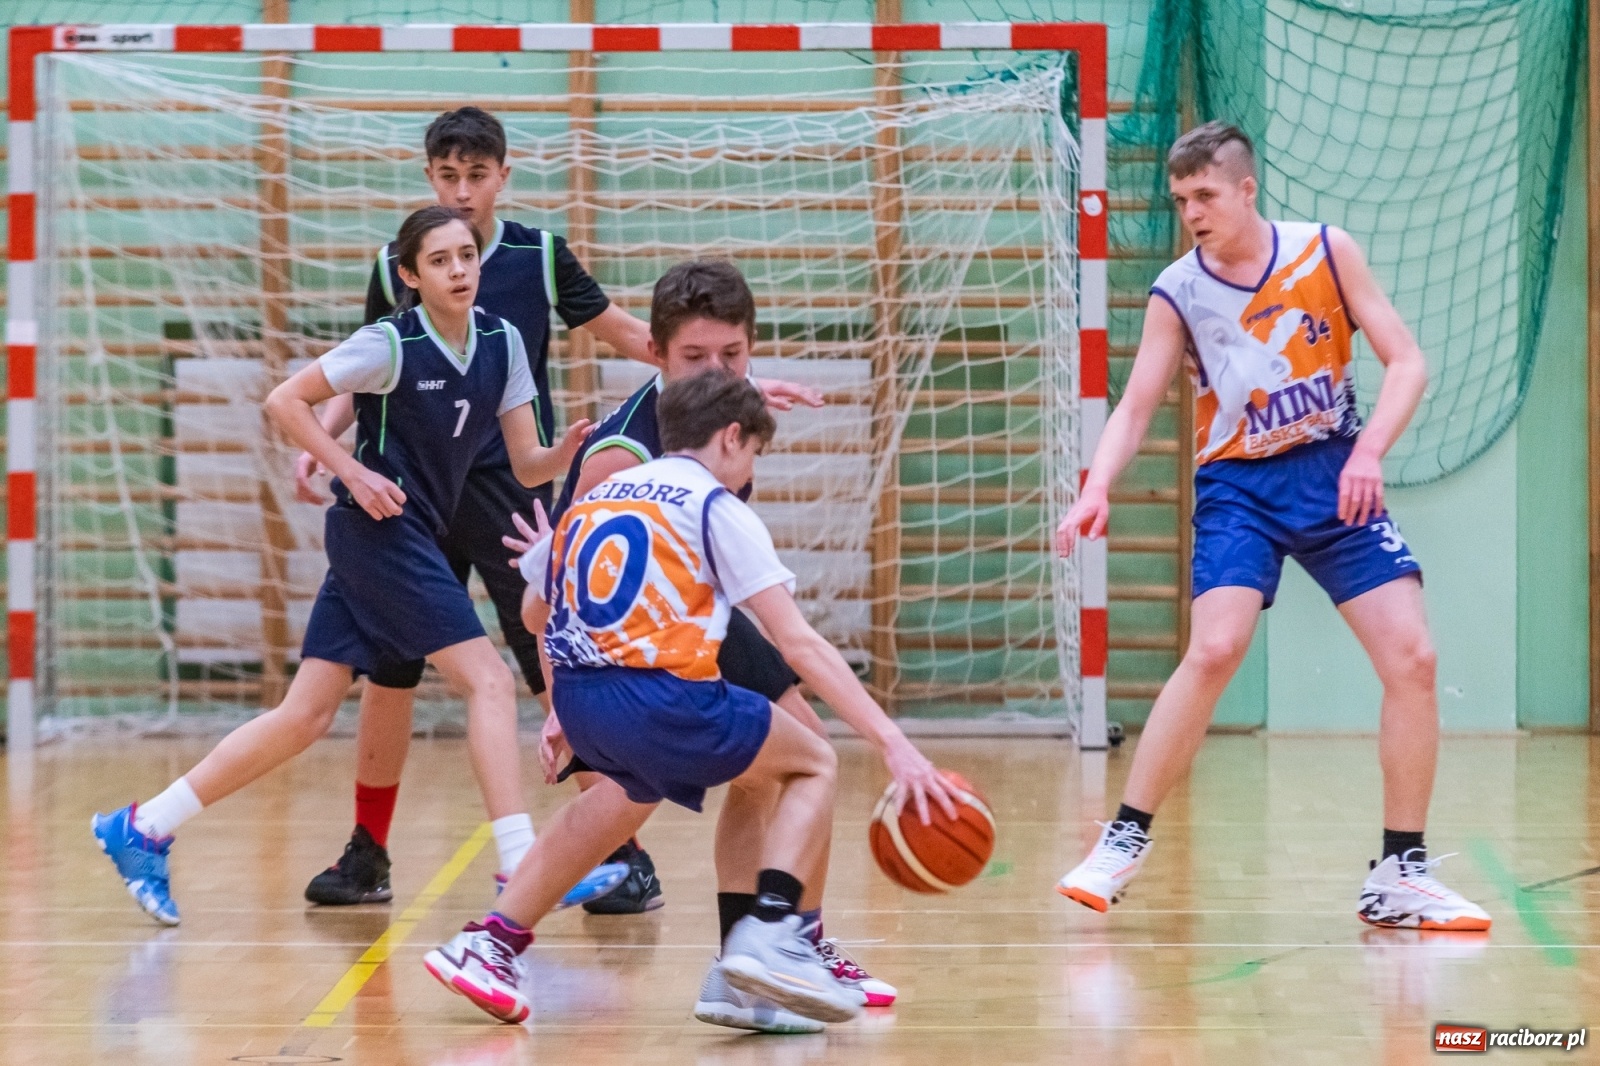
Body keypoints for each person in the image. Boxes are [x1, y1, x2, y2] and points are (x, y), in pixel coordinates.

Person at [293, 107, 819, 910]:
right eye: (448, 175)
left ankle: (624, 853)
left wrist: (728, 383)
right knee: (390, 672)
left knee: (552, 653)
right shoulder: (402, 259)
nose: (463, 191)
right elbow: (374, 357)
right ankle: (369, 850)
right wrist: (326, 435)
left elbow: (633, 334)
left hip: (508, 485)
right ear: (429, 178)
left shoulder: (538, 257)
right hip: (415, 484)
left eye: (477, 174)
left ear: (503, 175)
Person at [91, 206, 586, 926]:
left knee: (306, 714)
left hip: (402, 534)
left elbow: (523, 460)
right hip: (377, 533)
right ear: (410, 276)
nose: (458, 270)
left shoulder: (503, 343)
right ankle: (519, 862)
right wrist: (347, 471)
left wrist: (568, 450)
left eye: (466, 256)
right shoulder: (389, 343)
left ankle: (142, 827)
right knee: (486, 678)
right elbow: (283, 401)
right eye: (440, 260)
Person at [1053, 121, 1490, 932]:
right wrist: (1096, 485)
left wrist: (1370, 452)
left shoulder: (1326, 251)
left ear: (1246, 189)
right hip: (1239, 485)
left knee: (1415, 658)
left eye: (1205, 195)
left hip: (1332, 475)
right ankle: (1122, 840)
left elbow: (1408, 360)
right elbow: (1138, 404)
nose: (1192, 212)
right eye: (1181, 199)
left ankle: (1401, 873)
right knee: (1215, 647)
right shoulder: (1176, 291)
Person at [423, 370, 957, 1030]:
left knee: (637, 792)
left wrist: (552, 565)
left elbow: (534, 614)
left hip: (585, 701)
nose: (748, 471)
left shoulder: (599, 494)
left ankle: (494, 942)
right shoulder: (712, 505)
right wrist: (892, 742)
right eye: (753, 454)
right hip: (662, 699)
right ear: (731, 438)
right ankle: (770, 933)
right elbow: (798, 644)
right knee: (812, 760)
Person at [533, 258, 897, 1005]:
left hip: (698, 617)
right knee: (798, 762)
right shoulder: (619, 452)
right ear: (656, 356)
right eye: (696, 359)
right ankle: (785, 943)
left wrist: (752, 389)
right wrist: (554, 700)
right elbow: (555, 588)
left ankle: (765, 952)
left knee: (770, 773)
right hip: (640, 646)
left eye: (733, 357)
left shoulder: (716, 413)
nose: (718, 372)